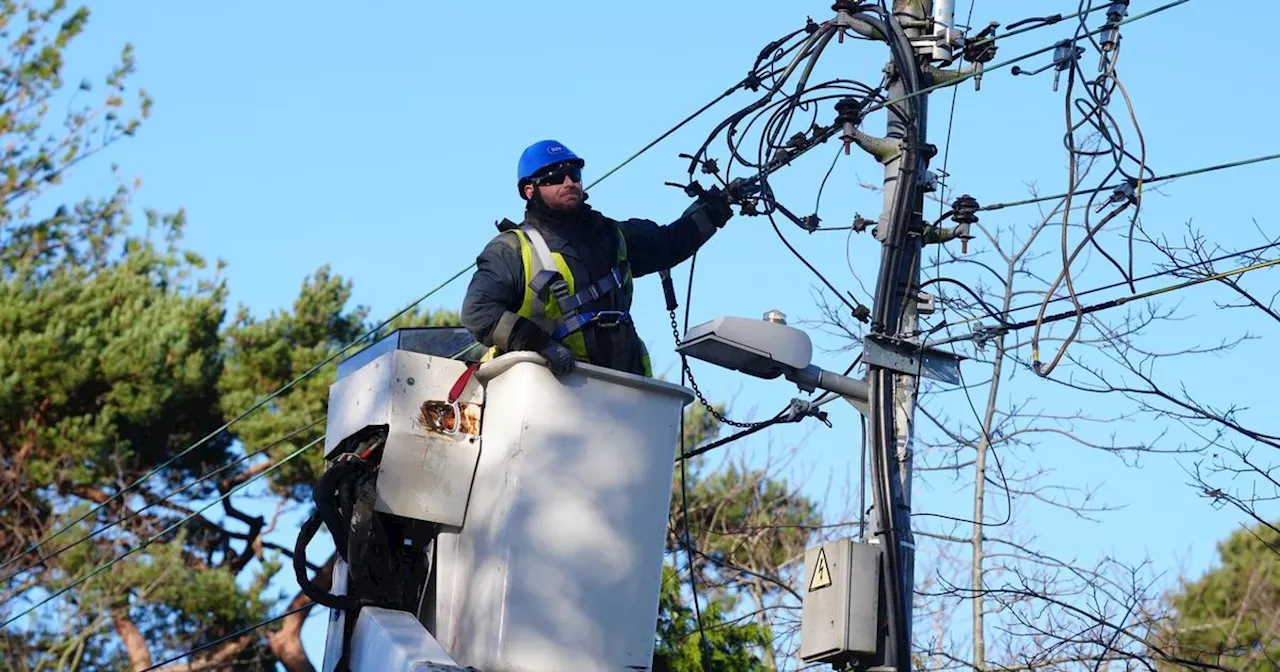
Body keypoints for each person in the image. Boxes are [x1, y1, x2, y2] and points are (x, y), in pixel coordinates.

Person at [461, 139, 734, 377]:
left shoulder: (612, 236)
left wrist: (715, 210)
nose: (569, 182)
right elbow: (478, 312)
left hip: (620, 392)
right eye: (554, 177)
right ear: (529, 190)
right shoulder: (512, 250)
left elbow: (668, 244)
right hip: (547, 394)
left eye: (574, 174)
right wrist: (540, 345)